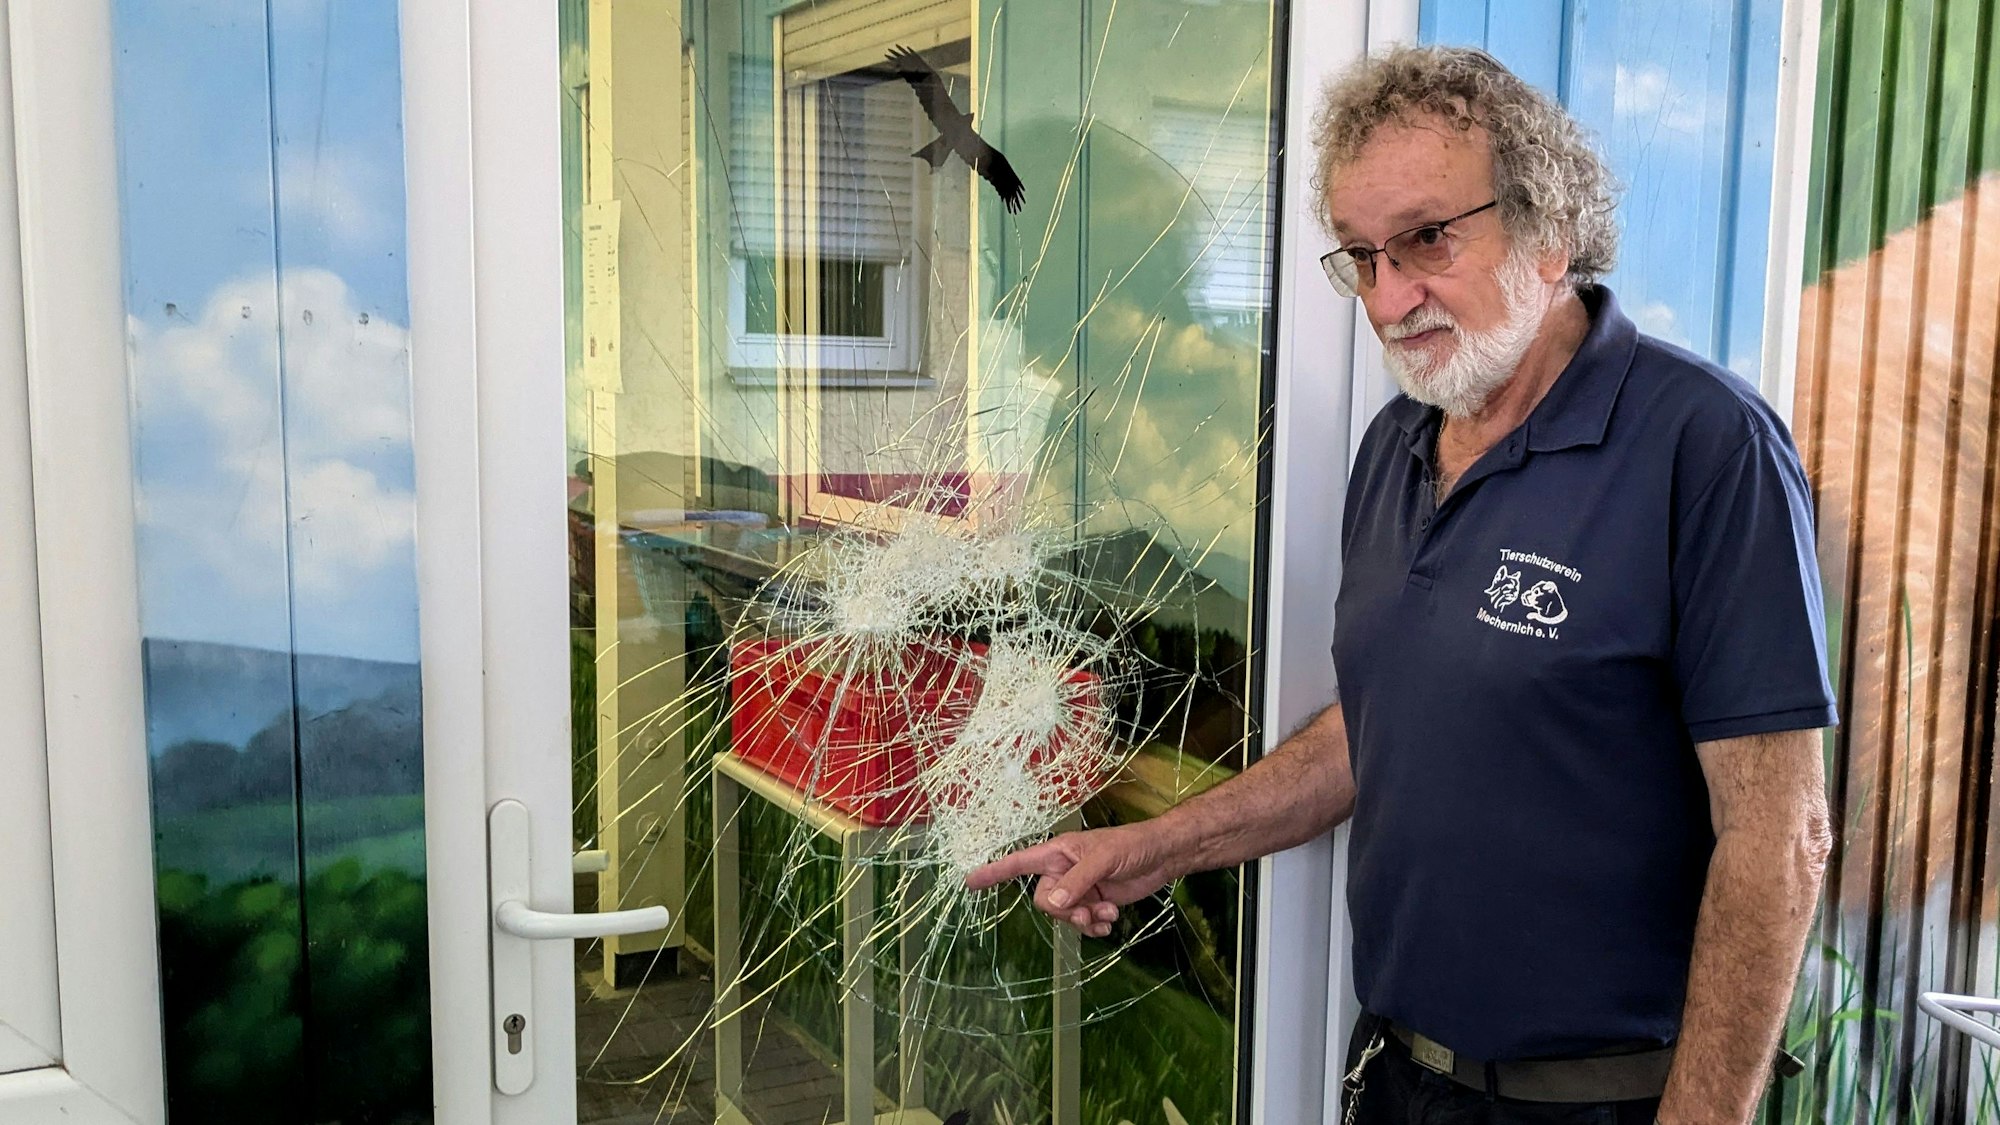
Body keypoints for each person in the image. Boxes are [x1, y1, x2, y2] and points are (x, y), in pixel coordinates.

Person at [967, 45, 1835, 1125]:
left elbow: (1779, 836)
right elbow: (1373, 730)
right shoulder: (1397, 445)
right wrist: (1151, 847)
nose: (1388, 297)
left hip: (1598, 1102)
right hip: (1394, 1076)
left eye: (1427, 238)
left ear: (1548, 230)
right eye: (1360, 256)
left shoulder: (1704, 448)